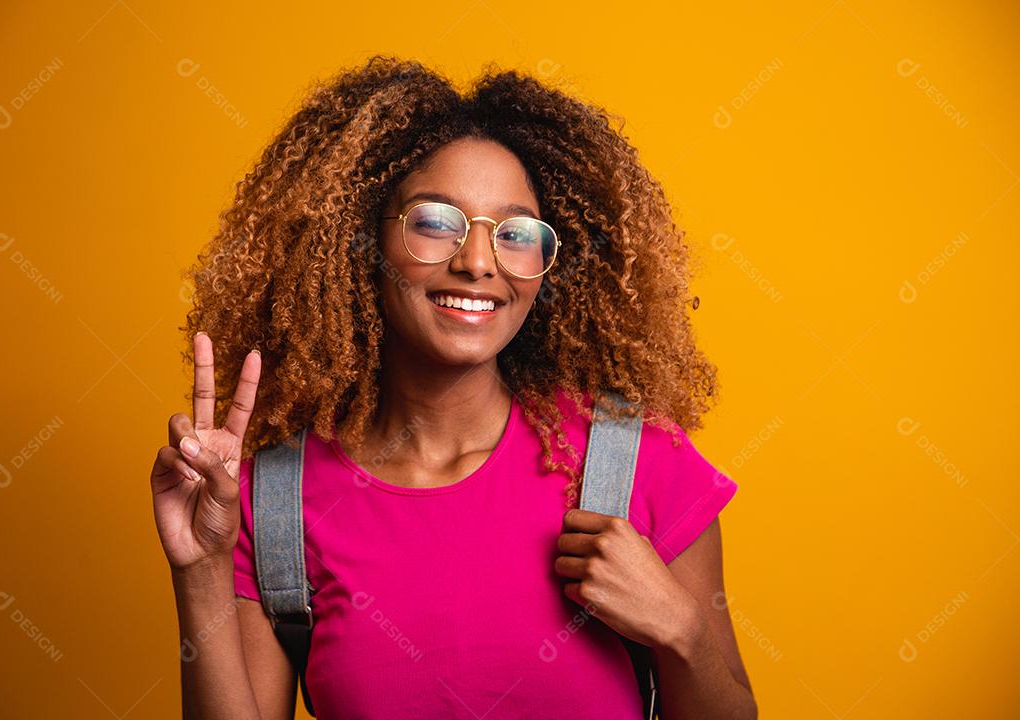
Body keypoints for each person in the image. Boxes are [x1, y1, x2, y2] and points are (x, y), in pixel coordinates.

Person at [150, 55, 757, 719]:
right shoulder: (274, 504)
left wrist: (683, 632)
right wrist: (201, 571)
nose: (476, 263)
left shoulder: (639, 462)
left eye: (517, 234)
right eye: (436, 222)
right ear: (358, 242)